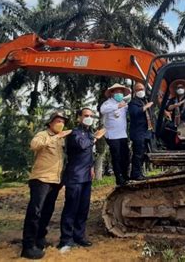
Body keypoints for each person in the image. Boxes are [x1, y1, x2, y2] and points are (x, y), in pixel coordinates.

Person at [21, 111, 71, 260]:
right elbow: (34, 145)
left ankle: (40, 239)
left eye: (62, 121)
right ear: (50, 123)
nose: (60, 124)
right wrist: (55, 137)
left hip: (55, 180)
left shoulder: (62, 140)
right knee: (35, 211)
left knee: (47, 211)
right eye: (57, 121)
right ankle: (28, 246)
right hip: (41, 179)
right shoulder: (43, 134)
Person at [58, 108, 106, 251]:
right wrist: (96, 137)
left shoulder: (89, 133)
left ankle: (79, 236)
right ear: (79, 117)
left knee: (83, 208)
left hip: (86, 176)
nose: (89, 118)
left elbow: (89, 153)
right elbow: (82, 145)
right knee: (71, 208)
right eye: (86, 115)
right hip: (75, 176)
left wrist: (91, 167)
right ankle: (66, 239)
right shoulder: (74, 133)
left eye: (91, 116)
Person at [100, 83, 131, 186]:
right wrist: (117, 106)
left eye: (121, 92)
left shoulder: (124, 103)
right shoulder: (107, 103)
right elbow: (102, 110)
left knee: (125, 156)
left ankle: (125, 175)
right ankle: (119, 178)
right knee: (116, 156)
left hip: (123, 134)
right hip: (112, 135)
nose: (119, 93)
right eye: (117, 92)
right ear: (112, 93)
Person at [128, 82, 154, 180]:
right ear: (135, 91)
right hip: (138, 133)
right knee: (137, 154)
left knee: (142, 154)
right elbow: (135, 113)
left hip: (146, 132)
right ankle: (135, 174)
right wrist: (146, 106)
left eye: (142, 89)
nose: (141, 91)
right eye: (138, 89)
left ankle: (140, 173)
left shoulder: (144, 101)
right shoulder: (133, 103)